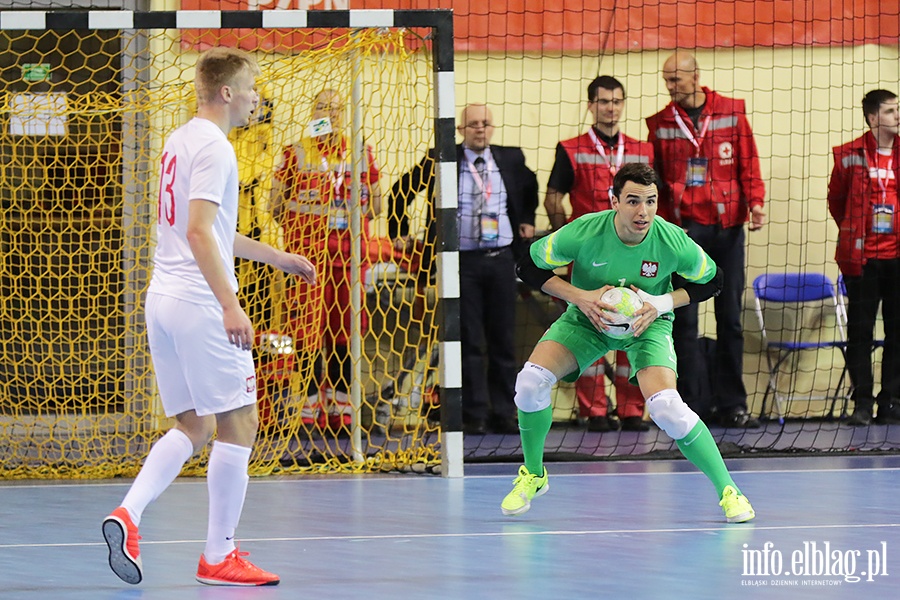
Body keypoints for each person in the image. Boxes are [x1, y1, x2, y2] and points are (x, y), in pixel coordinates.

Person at [102, 48, 316, 586]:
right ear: (227, 92)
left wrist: (277, 256)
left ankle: (127, 514)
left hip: (164, 300)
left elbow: (210, 230)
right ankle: (218, 556)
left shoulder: (178, 140)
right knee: (240, 420)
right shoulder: (218, 148)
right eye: (251, 88)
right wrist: (230, 304)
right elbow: (199, 232)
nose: (256, 98)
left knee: (193, 424)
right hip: (200, 305)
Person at [501, 162, 755, 524]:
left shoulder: (671, 240)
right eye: (633, 201)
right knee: (529, 382)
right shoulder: (585, 231)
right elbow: (527, 266)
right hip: (588, 317)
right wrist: (580, 297)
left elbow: (714, 281)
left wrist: (661, 303)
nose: (643, 211)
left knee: (667, 407)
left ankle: (730, 491)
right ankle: (534, 475)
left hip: (646, 324)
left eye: (650, 201)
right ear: (614, 201)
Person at [387, 103, 539, 434]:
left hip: (501, 260)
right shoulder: (440, 158)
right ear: (460, 130)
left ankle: (504, 412)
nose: (480, 129)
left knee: (503, 341)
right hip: (461, 262)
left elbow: (530, 187)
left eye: (485, 123)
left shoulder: (510, 158)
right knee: (467, 341)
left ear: (492, 127)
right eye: (473, 124)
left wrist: (526, 219)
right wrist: (398, 231)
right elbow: (399, 192)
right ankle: (475, 414)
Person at [646, 51, 766, 428]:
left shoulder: (731, 112)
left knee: (729, 319)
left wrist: (757, 203)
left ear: (695, 76)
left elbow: (748, 162)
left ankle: (733, 404)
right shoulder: (661, 123)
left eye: (676, 80)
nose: (670, 87)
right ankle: (690, 405)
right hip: (684, 235)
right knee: (683, 321)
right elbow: (658, 180)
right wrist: (663, 225)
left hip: (727, 229)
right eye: (666, 81)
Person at [545, 75, 653, 432]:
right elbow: (552, 198)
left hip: (634, 252)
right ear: (591, 105)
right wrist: (569, 238)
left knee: (633, 326)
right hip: (589, 259)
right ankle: (594, 410)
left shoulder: (643, 150)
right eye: (603, 101)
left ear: (623, 105)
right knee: (589, 327)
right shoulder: (570, 148)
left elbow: (652, 203)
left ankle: (633, 408)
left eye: (617, 101)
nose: (611, 108)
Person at [271, 89, 382, 432]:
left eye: (335, 109)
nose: (330, 115)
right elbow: (275, 208)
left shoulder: (361, 152)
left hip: (349, 258)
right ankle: (306, 403)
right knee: (305, 331)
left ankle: (341, 404)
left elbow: (378, 207)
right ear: (312, 112)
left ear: (343, 113)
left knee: (344, 331)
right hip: (308, 261)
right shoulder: (294, 153)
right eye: (322, 108)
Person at [827, 89, 900, 426]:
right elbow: (836, 203)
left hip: (897, 259)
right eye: (890, 111)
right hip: (863, 260)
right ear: (873, 118)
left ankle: (891, 403)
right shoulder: (848, 155)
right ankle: (862, 404)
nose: (897, 116)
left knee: (897, 333)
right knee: (861, 333)